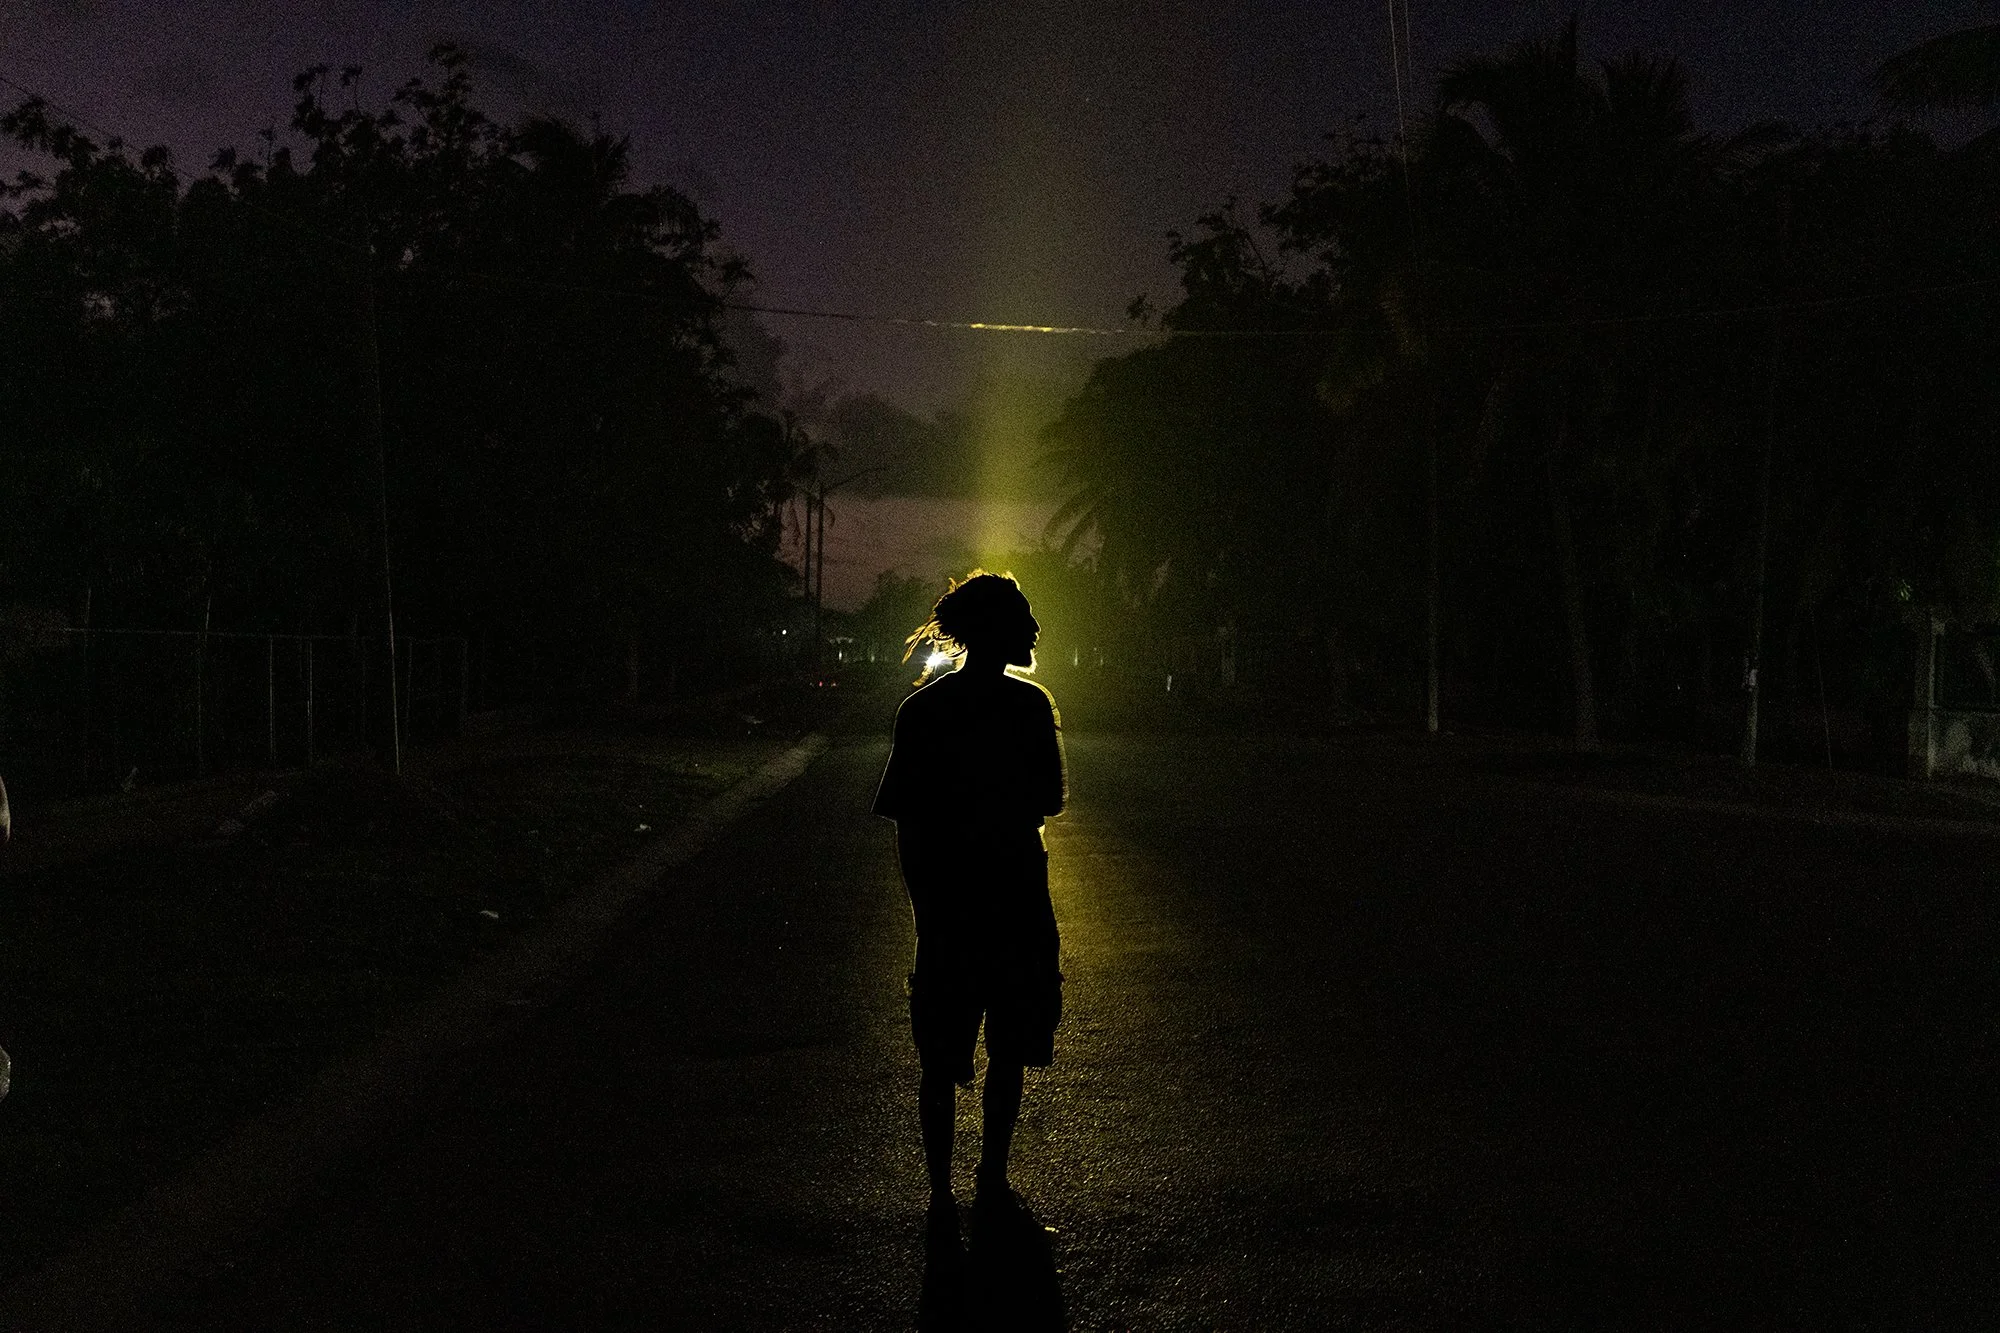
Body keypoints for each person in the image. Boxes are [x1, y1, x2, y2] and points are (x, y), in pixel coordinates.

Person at [873, 571, 1066, 1219]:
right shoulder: (1031, 706)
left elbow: (906, 821)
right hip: (1015, 903)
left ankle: (938, 1189)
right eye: (1024, 616)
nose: (1035, 628)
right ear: (994, 629)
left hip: (949, 911)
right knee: (1009, 1046)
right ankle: (990, 1173)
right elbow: (1050, 800)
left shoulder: (923, 710)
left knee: (941, 1053)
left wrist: (927, 909)